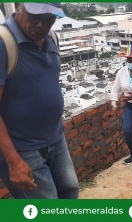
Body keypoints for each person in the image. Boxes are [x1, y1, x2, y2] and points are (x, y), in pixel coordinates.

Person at [0, 3, 79, 198]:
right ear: (20, 9)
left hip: (55, 139)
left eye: (49, 19)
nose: (42, 25)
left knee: (70, 193)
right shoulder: (4, 43)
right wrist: (13, 161)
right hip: (23, 149)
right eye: (35, 17)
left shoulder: (52, 38)